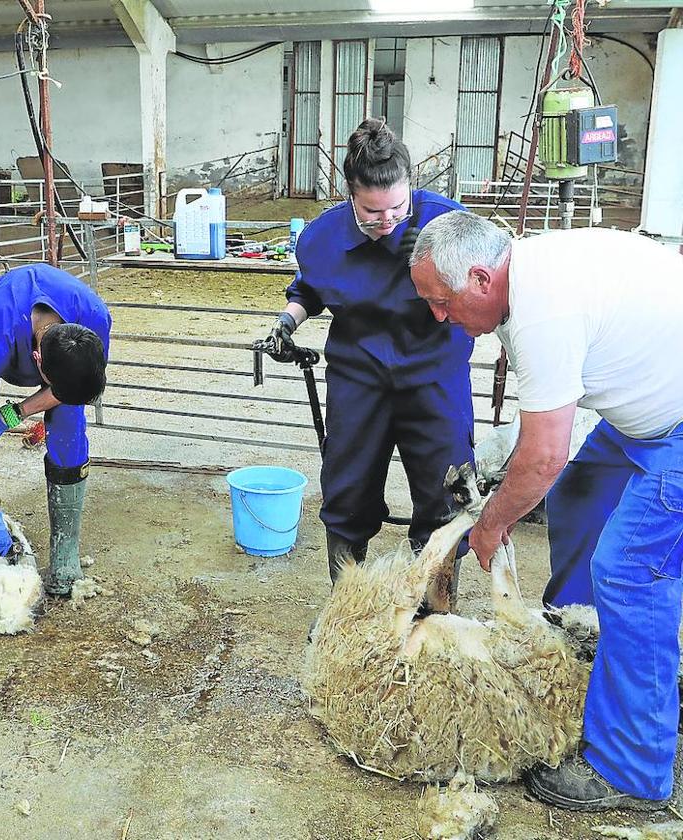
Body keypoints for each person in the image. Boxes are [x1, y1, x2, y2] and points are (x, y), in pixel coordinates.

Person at [409, 211, 683, 812]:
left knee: (632, 571)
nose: (438, 315)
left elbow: (544, 453)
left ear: (481, 278)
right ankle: (583, 653)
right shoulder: (527, 276)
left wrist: (491, 522)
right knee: (582, 491)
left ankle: (633, 768)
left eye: (441, 300)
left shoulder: (543, 309)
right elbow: (545, 431)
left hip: (677, 424)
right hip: (649, 408)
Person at [258, 118, 475, 587]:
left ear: (410, 187)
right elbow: (309, 288)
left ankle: (434, 605)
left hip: (435, 373)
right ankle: (346, 606)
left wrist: (439, 258)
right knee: (347, 487)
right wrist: (286, 321)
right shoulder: (321, 237)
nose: (388, 220)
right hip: (360, 376)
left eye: (397, 206)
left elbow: (486, 281)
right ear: (349, 194)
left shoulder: (447, 221)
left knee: (447, 488)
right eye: (372, 211)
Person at [0, 263, 110, 596]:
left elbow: (71, 388)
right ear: (37, 360)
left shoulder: (95, 320)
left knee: (70, 427)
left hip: (58, 359)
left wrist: (10, 416)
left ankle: (64, 552)